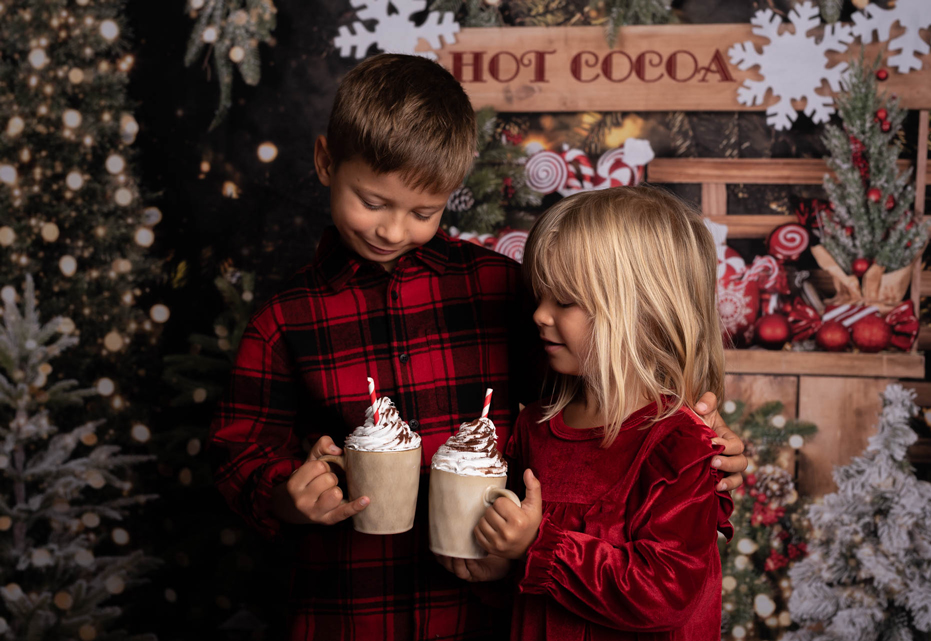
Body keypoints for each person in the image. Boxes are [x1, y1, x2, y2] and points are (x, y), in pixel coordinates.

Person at [208, 54, 745, 641]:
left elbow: (593, 387)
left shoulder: (499, 287)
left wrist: (699, 443)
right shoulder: (283, 319)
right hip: (349, 607)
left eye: (423, 212)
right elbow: (238, 452)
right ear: (325, 162)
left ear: (451, 194)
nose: (392, 230)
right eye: (372, 202)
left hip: (482, 610)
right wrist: (285, 494)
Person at [472, 186, 734, 640]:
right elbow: (524, 586)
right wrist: (500, 556)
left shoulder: (678, 445)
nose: (539, 314)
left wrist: (540, 545)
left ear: (644, 313)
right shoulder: (534, 429)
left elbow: (667, 593)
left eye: (565, 301)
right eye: (540, 295)